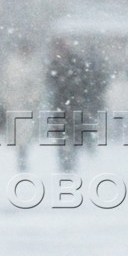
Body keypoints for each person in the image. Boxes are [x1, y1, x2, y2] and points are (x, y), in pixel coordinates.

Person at [47, 37, 101, 172]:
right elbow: (51, 85)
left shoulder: (74, 63)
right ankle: (64, 162)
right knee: (61, 136)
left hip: (74, 105)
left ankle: (71, 160)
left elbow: (83, 83)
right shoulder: (54, 65)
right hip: (59, 107)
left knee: (74, 134)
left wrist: (78, 101)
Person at [0, 36, 45, 171]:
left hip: (27, 105)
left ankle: (23, 155)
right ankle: (20, 154)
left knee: (25, 133)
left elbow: (38, 84)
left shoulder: (35, 65)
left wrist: (33, 99)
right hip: (13, 104)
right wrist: (6, 100)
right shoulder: (11, 64)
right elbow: (4, 83)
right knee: (15, 133)